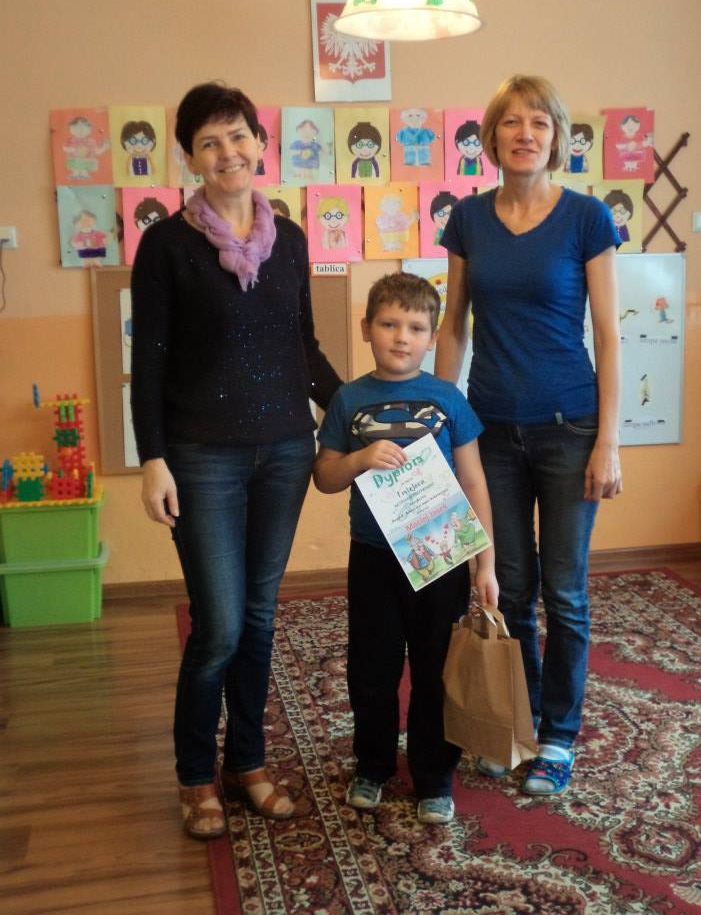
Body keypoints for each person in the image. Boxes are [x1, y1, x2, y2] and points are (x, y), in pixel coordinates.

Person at [131, 81, 341, 840]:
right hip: (202, 459)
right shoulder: (166, 247)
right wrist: (153, 459)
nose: (228, 152)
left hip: (285, 451)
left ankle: (246, 763)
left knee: (258, 619)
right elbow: (149, 364)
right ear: (191, 158)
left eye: (238, 136)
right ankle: (195, 774)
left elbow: (303, 347)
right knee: (218, 625)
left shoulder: (291, 240)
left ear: (260, 142)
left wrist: (358, 411)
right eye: (209, 142)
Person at [436, 75, 622, 796]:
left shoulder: (587, 218)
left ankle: (558, 736)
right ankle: (517, 722)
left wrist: (609, 441)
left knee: (564, 592)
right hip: (490, 430)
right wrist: (440, 420)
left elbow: (607, 334)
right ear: (490, 139)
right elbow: (453, 325)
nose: (525, 134)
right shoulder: (467, 220)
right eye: (511, 122)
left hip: (571, 426)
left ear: (558, 137)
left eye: (539, 122)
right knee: (508, 589)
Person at [314, 272, 498, 825]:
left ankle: (434, 776)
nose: (402, 337)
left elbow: (473, 482)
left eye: (416, 327)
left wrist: (485, 563)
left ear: (433, 336)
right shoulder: (348, 399)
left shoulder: (448, 399)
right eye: (389, 324)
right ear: (366, 328)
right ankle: (372, 766)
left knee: (435, 667)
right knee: (372, 667)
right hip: (373, 555)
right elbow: (324, 476)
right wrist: (358, 460)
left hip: (440, 554)